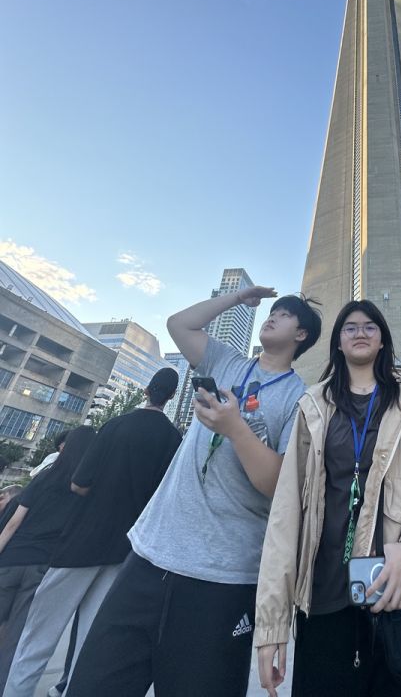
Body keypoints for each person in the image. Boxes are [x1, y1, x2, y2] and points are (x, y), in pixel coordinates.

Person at [65, 287, 321, 697]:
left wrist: (236, 430)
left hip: (224, 577)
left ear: (302, 335)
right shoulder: (226, 361)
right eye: (272, 310)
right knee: (93, 686)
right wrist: (238, 297)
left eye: (286, 314)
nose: (273, 316)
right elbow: (179, 324)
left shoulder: (300, 399)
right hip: (151, 554)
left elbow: (279, 485)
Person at [255, 299, 401, 697]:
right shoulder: (313, 406)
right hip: (324, 598)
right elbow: (286, 512)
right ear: (338, 342)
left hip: (400, 591)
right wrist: (272, 623)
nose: (360, 332)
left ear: (382, 340)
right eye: (350, 327)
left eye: (370, 326)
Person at [5, 367, 182, 697]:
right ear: (172, 396)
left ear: (146, 391)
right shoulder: (174, 439)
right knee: (89, 643)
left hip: (81, 543)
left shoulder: (115, 425)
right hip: (125, 550)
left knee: (38, 637)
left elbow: (79, 484)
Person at [0, 426, 97, 691]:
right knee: (16, 637)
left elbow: (13, 523)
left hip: (11, 559)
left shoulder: (45, 476)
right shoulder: (87, 489)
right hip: (43, 566)